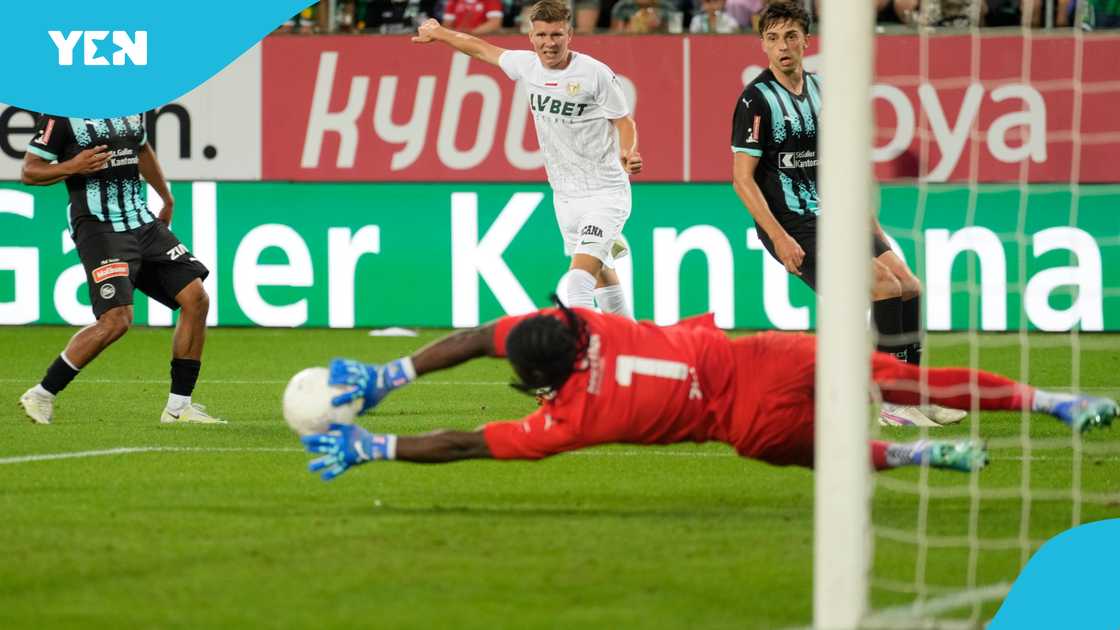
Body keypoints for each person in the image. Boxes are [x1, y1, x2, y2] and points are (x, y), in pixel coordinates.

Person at [297, 302, 1117, 480]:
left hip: (742, 420)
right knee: (904, 376)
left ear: (538, 379)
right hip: (765, 356)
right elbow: (488, 337)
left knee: (812, 454)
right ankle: (1052, 401)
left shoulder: (575, 420)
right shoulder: (588, 322)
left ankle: (910, 450)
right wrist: (387, 378)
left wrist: (377, 441)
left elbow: (471, 440)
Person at [729, 1, 950, 428]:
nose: (782, 46)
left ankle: (912, 395)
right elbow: (742, 179)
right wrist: (777, 236)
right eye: (772, 38)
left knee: (909, 284)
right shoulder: (756, 100)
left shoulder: (819, 88)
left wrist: (870, 223)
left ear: (806, 41)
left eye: (790, 36)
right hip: (796, 225)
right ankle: (893, 404)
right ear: (762, 46)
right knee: (883, 287)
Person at [413, 0, 641, 318]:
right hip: (565, 195)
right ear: (531, 37)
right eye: (543, 35)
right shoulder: (526, 65)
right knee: (602, 273)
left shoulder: (594, 74)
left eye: (557, 35)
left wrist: (628, 151)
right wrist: (440, 32)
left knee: (577, 283)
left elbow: (623, 121)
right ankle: (629, 342)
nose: (550, 43)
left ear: (570, 34)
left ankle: (588, 355)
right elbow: (480, 48)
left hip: (604, 192)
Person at [17, 114, 223, 426]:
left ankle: (179, 408)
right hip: (100, 228)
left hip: (142, 221)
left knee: (196, 299)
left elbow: (141, 149)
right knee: (117, 321)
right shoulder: (60, 115)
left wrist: (165, 196)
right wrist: (72, 166)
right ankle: (43, 393)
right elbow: (30, 171)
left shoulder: (131, 104)